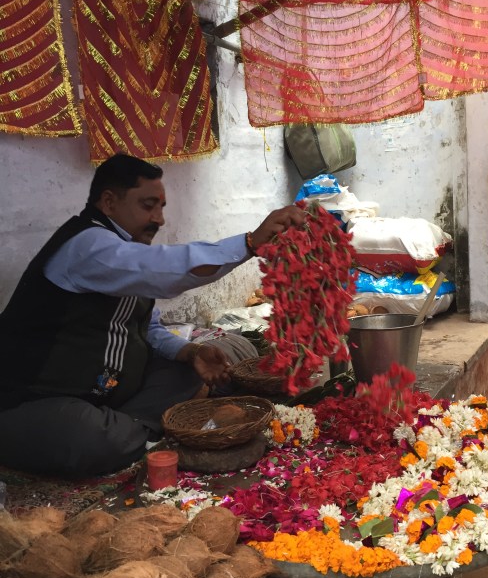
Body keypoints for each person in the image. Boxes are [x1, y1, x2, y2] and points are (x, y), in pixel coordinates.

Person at [0, 154, 305, 478]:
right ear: (109, 202)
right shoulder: (88, 245)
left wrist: (190, 352)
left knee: (187, 371)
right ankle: (133, 434)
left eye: (161, 207)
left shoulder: (128, 252)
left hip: (110, 396)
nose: (159, 219)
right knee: (87, 437)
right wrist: (249, 243)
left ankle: (132, 432)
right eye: (148, 206)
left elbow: (148, 327)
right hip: (38, 403)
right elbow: (167, 268)